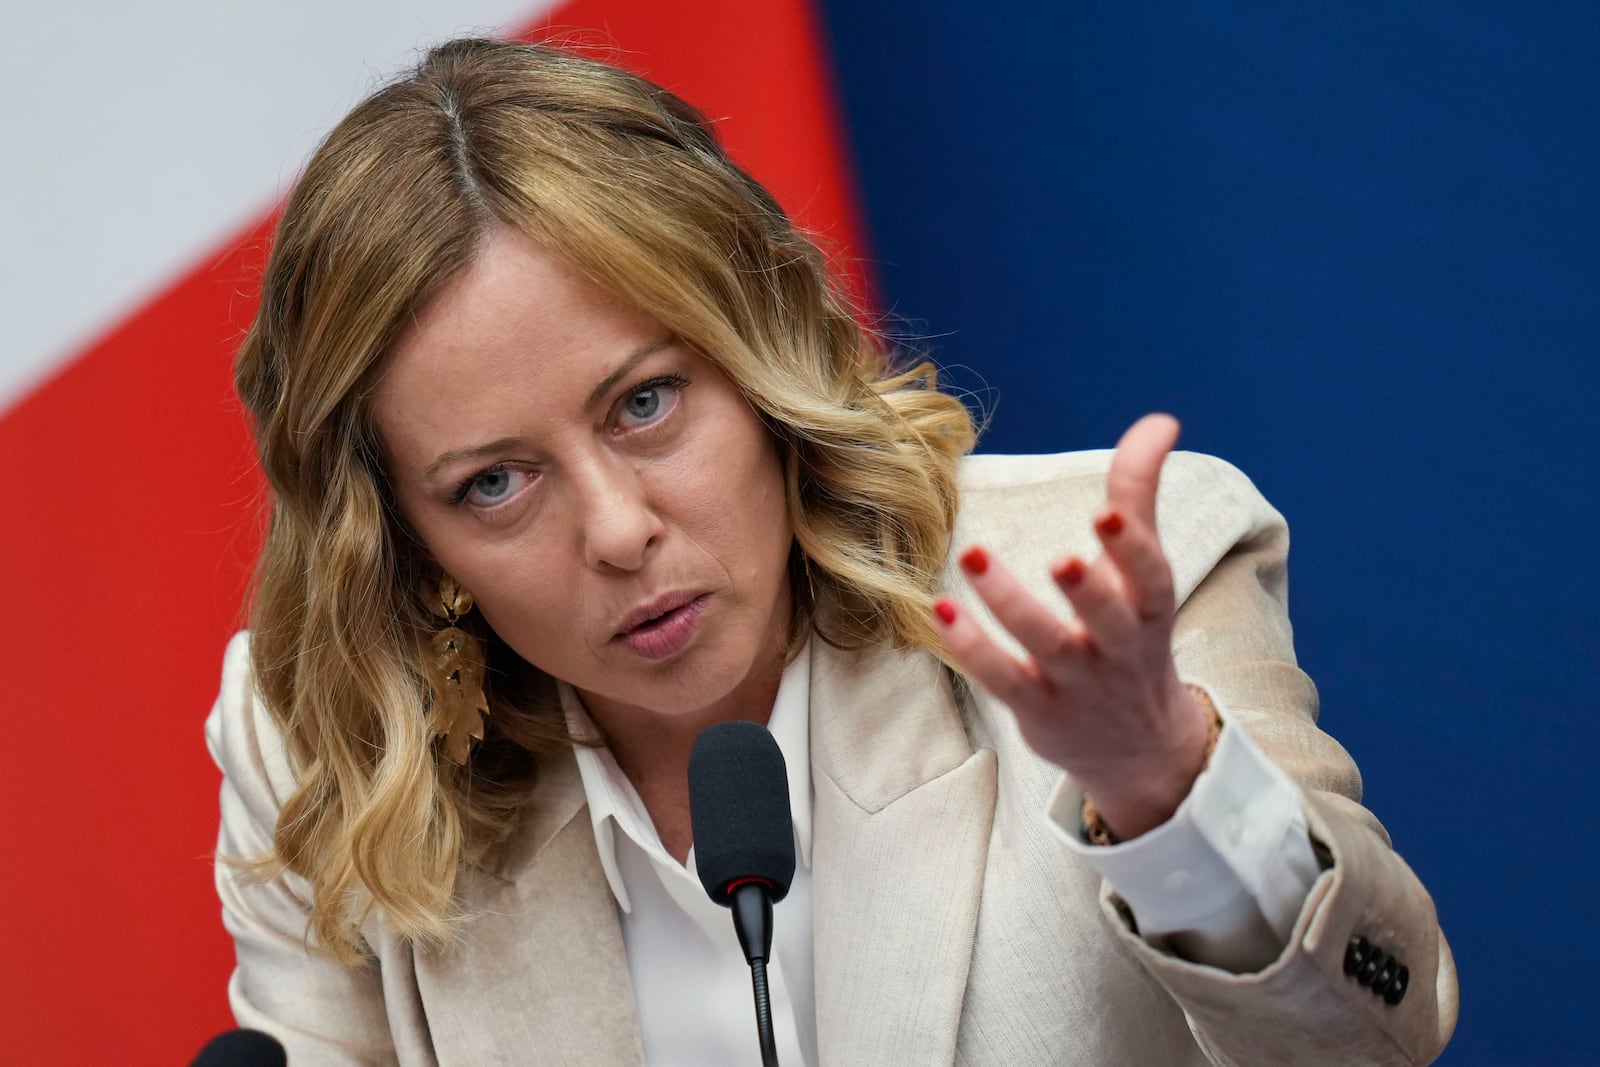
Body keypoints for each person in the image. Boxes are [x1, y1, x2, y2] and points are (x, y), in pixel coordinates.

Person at [208, 37, 1458, 1065]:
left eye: (644, 402)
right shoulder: (327, 738)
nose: (618, 529)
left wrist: (1163, 782)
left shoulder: (1098, 581)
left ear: (764, 359)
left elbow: (1375, 1036)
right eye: (492, 483)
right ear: (407, 542)